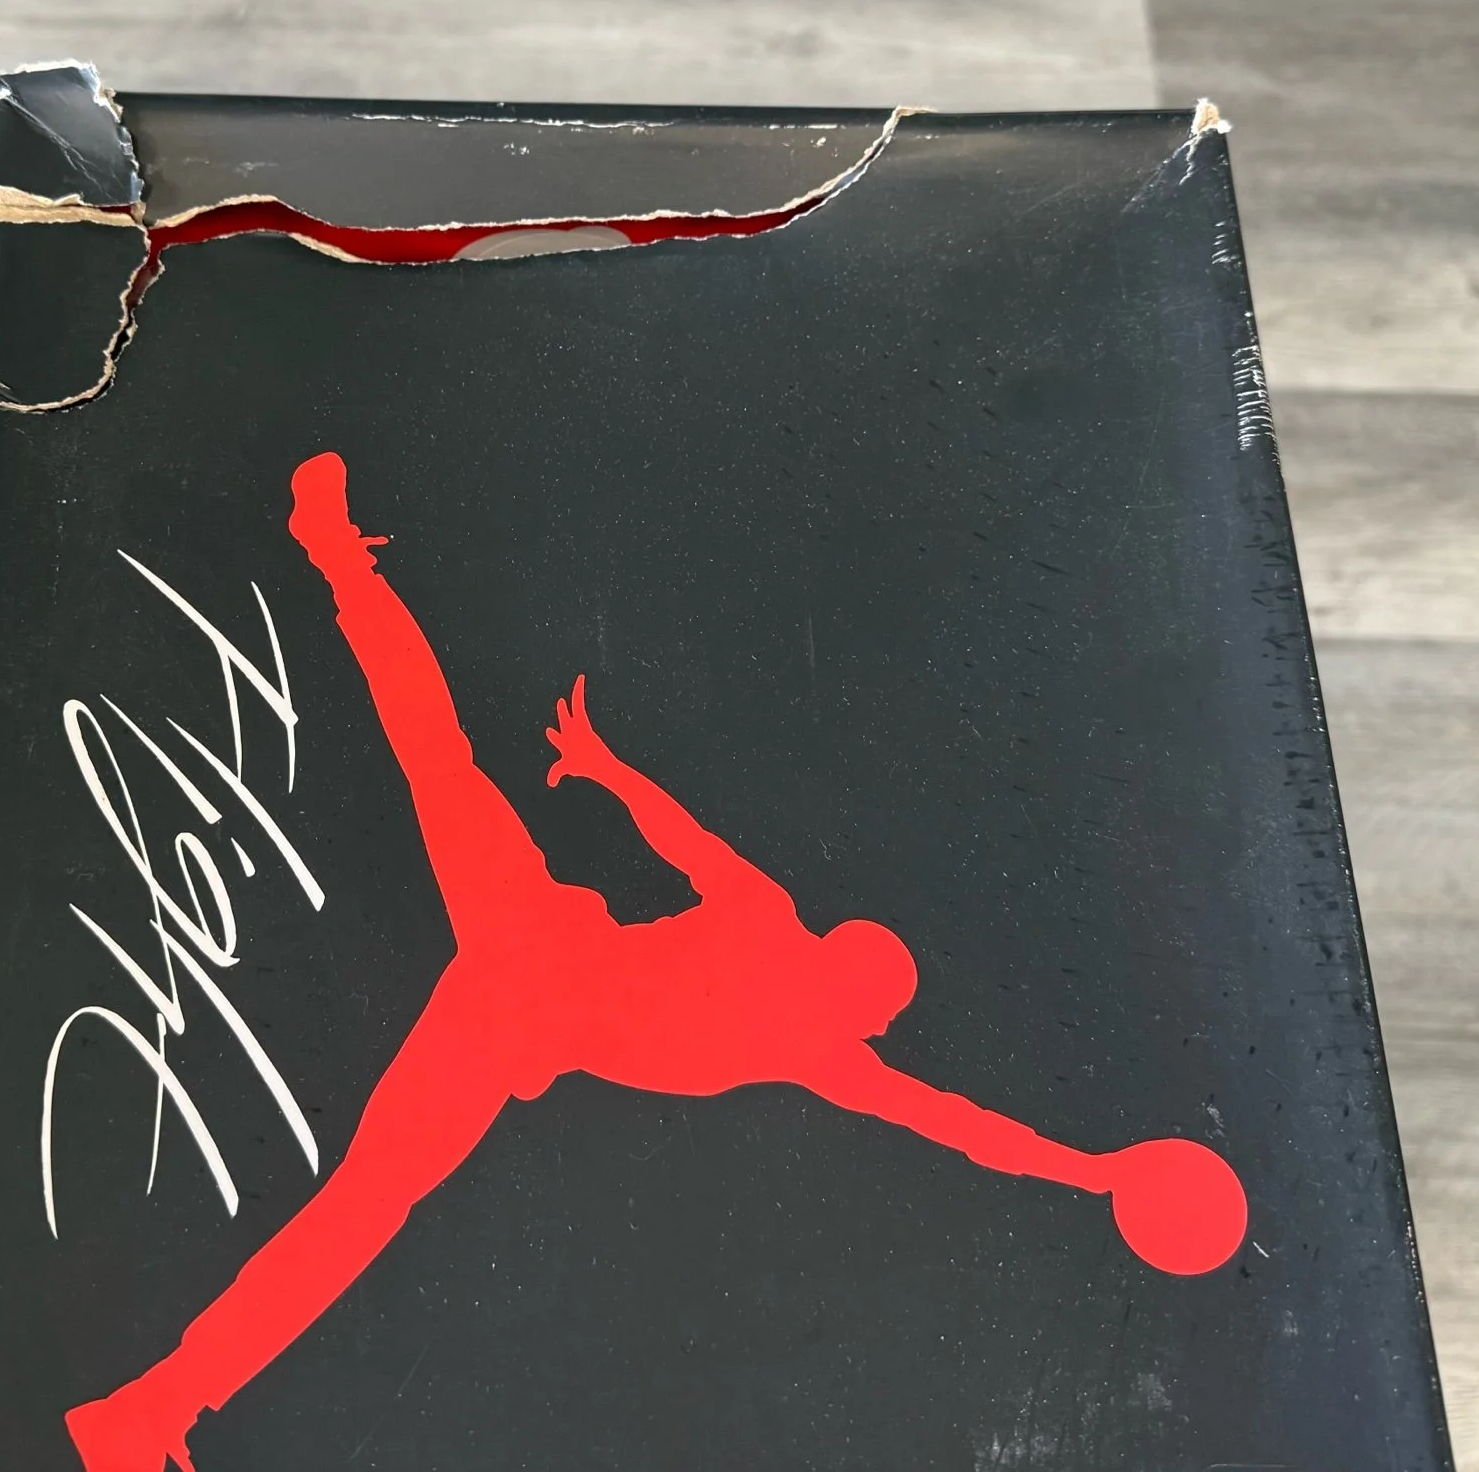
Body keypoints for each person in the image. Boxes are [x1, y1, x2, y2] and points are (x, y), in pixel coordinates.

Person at [65, 452, 1245, 1472]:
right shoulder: (821, 1041)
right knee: (360, 1203)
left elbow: (688, 844)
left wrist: (603, 766)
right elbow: (964, 1126)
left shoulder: (788, 961)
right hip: (517, 993)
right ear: (857, 995)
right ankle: (148, 1408)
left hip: (519, 964)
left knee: (432, 752)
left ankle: (147, 1408)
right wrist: (1092, 1172)